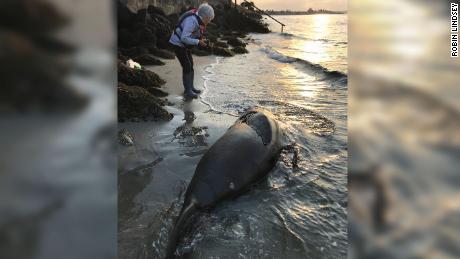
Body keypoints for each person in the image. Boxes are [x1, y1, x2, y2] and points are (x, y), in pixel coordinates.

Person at [169, 3, 215, 99]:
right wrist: (198, 42)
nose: (209, 21)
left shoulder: (198, 18)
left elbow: (195, 33)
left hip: (184, 45)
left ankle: (191, 87)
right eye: (209, 19)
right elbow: (184, 38)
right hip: (177, 43)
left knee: (191, 64)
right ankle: (187, 91)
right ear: (205, 16)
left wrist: (201, 39)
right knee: (187, 65)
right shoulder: (192, 21)